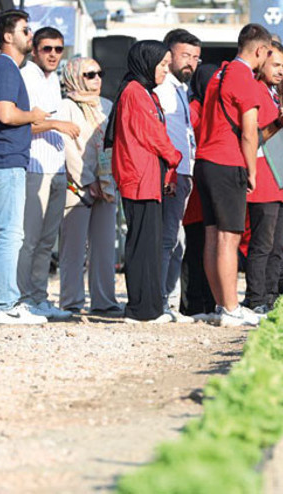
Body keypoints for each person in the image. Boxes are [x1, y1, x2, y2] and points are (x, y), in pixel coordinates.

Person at [194, 23, 273, 327]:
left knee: (213, 236)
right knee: (229, 237)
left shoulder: (220, 73)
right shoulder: (245, 78)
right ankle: (230, 308)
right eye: (268, 54)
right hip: (227, 162)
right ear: (260, 50)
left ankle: (222, 305)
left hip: (205, 161)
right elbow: (250, 133)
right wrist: (252, 170)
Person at [0, 10, 50, 324]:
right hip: (5, 161)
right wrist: (33, 115)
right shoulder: (6, 69)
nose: (30, 35)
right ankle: (7, 305)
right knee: (10, 235)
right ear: (8, 36)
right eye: (25, 30)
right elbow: (6, 114)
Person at [105, 40, 181, 324]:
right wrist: (174, 157)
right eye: (162, 64)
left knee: (149, 243)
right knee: (141, 244)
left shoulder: (146, 92)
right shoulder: (135, 92)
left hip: (148, 176)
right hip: (138, 176)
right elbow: (152, 134)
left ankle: (151, 307)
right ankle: (140, 309)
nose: (165, 70)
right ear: (147, 63)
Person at [18, 27, 78, 320]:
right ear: (34, 50)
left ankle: (38, 297)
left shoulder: (54, 80)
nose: (53, 54)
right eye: (47, 49)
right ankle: (21, 299)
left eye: (58, 49)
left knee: (46, 241)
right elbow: (20, 123)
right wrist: (56, 125)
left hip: (56, 168)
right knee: (28, 240)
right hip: (33, 167)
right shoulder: (25, 77)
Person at [56, 56, 122, 314]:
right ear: (74, 76)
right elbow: (67, 147)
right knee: (73, 249)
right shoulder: (65, 106)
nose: (96, 79)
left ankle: (104, 301)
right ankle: (71, 302)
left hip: (106, 184)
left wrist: (108, 179)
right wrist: (86, 180)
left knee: (105, 247)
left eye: (99, 73)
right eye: (89, 74)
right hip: (77, 186)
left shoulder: (106, 105)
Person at [244, 40, 283, 314]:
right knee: (262, 245)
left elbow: (281, 139)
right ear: (262, 63)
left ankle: (269, 297)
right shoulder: (254, 89)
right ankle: (255, 299)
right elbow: (253, 136)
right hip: (262, 179)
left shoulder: (274, 94)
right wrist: (277, 125)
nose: (281, 71)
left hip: (281, 180)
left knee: (278, 246)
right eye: (275, 65)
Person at [153, 29, 200, 323]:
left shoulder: (181, 89)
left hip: (185, 173)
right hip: (170, 173)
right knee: (166, 240)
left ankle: (168, 302)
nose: (190, 62)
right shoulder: (161, 89)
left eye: (195, 57)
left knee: (176, 242)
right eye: (185, 55)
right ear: (168, 55)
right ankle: (157, 302)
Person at [180, 63, 217, 319]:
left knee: (210, 248)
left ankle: (210, 301)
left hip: (211, 191)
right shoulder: (193, 110)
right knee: (195, 249)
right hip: (195, 192)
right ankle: (193, 303)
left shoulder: (215, 109)